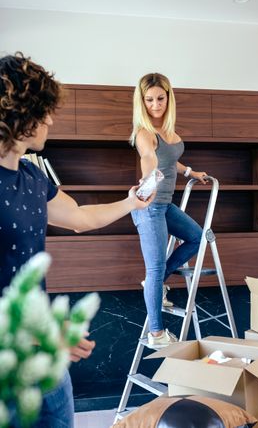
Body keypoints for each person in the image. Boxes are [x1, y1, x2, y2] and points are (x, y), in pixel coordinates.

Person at [0, 52, 154, 428]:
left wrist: (131, 202)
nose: (51, 120)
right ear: (20, 114)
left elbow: (80, 218)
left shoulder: (33, 178)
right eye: (43, 111)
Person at [130, 72, 208, 348]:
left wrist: (189, 171)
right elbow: (150, 158)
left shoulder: (169, 132)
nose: (155, 104)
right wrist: (148, 181)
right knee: (155, 266)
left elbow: (170, 158)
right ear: (142, 101)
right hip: (148, 207)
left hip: (165, 206)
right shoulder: (144, 133)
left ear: (168, 97)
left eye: (160, 98)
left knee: (198, 237)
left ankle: (157, 283)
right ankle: (156, 333)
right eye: (149, 99)